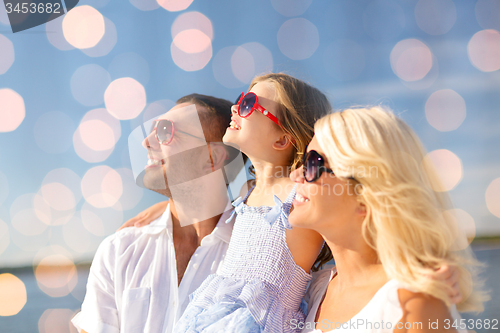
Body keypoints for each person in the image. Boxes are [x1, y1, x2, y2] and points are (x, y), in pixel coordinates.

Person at [287, 106, 487, 332]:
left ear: (365, 195)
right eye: (303, 161)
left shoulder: (413, 305)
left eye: (313, 163)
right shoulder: (314, 290)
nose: (295, 175)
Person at [173, 73, 332, 332]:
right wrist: (161, 209)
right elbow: (206, 203)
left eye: (248, 103)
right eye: (240, 100)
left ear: (282, 139)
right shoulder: (247, 192)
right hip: (214, 317)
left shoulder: (301, 195)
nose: (235, 108)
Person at [71, 94, 244, 333]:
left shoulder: (252, 254)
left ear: (211, 158)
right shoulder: (119, 250)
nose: (147, 142)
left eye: (165, 131)